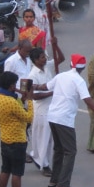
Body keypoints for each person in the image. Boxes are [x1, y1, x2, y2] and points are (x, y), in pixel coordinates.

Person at [43, 55, 94, 187]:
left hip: (52, 117)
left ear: (72, 65)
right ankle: (63, 185)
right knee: (70, 151)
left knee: (59, 149)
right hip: (64, 119)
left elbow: (45, 86)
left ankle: (54, 180)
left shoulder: (61, 76)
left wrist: (32, 87)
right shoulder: (79, 81)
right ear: (82, 67)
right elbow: (88, 101)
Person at [0, 72, 33, 187]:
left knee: (5, 171)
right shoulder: (11, 101)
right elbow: (28, 117)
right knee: (17, 173)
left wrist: (21, 99)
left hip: (5, 139)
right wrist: (30, 100)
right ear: (11, 86)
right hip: (17, 140)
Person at [28, 48, 53, 176]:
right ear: (36, 60)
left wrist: (55, 44)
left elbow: (61, 59)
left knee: (48, 138)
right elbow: (34, 96)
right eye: (42, 57)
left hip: (50, 107)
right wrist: (52, 92)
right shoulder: (33, 75)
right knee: (44, 137)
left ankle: (40, 158)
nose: (45, 59)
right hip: (41, 110)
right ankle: (44, 164)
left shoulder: (47, 67)